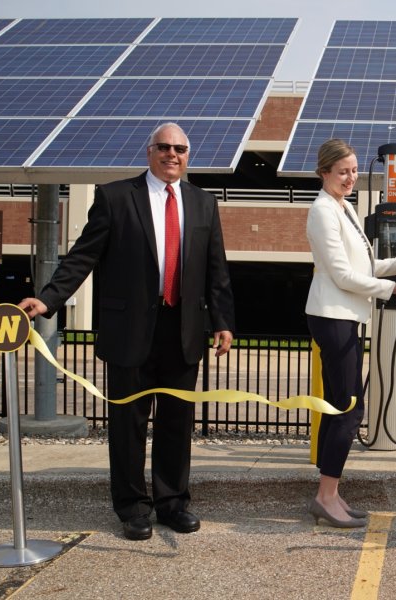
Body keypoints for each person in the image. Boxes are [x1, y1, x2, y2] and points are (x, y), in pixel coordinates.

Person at [19, 122, 235, 541]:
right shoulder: (115, 197)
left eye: (180, 149)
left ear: (188, 155)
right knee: (127, 426)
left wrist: (223, 322)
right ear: (149, 151)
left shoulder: (204, 203)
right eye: (164, 147)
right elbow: (83, 256)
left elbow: (216, 271)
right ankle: (133, 508)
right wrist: (48, 299)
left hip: (184, 332)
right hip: (129, 332)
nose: (172, 154)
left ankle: (173, 503)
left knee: (176, 423)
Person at [304, 138, 396, 528]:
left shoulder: (346, 208)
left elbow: (367, 265)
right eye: (343, 172)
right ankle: (325, 496)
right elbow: (343, 276)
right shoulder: (323, 211)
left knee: (341, 407)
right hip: (333, 317)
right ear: (324, 173)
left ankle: (330, 493)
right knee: (349, 410)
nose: (351, 178)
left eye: (354, 170)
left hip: (346, 317)